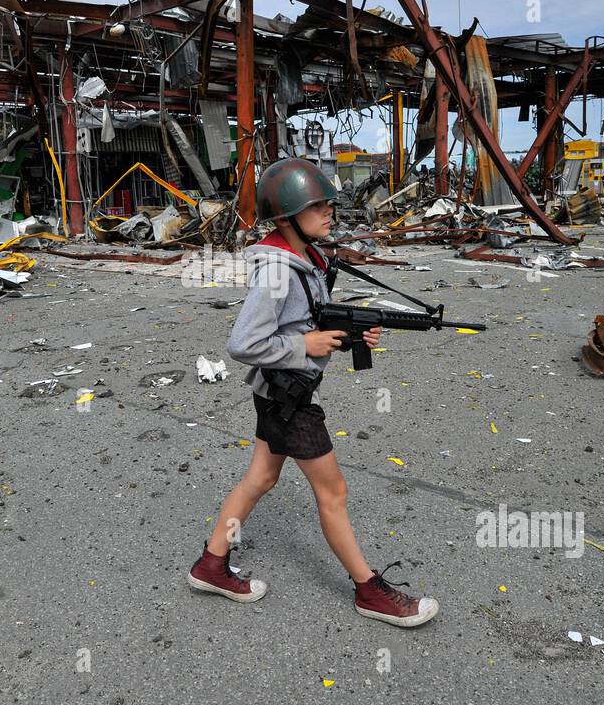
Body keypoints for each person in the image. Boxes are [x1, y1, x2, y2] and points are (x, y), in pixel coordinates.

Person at [186, 158, 439, 627]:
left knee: (260, 479)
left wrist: (347, 335)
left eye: (328, 205)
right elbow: (243, 343)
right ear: (286, 218)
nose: (329, 213)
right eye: (317, 206)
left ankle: (211, 565)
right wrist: (304, 344)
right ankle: (369, 591)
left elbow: (305, 323)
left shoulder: (305, 259)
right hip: (290, 400)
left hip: (278, 393)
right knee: (334, 492)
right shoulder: (278, 270)